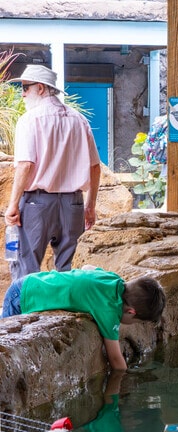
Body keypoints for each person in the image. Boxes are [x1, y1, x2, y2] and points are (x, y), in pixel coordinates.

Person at [5, 65, 101, 281]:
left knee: (26, 268)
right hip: (73, 204)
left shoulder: (30, 119)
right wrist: (90, 205)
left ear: (40, 88)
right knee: (70, 270)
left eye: (25, 88)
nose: (22, 94)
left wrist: (12, 204)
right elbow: (95, 167)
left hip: (36, 205)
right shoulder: (79, 120)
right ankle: (67, 314)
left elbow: (25, 165)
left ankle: (25, 315)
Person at [1, 266, 166, 371]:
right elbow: (115, 359)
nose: (133, 325)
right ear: (131, 312)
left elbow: (88, 267)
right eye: (138, 322)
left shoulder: (114, 280)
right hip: (22, 297)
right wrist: (127, 376)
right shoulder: (109, 310)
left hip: (31, 281)